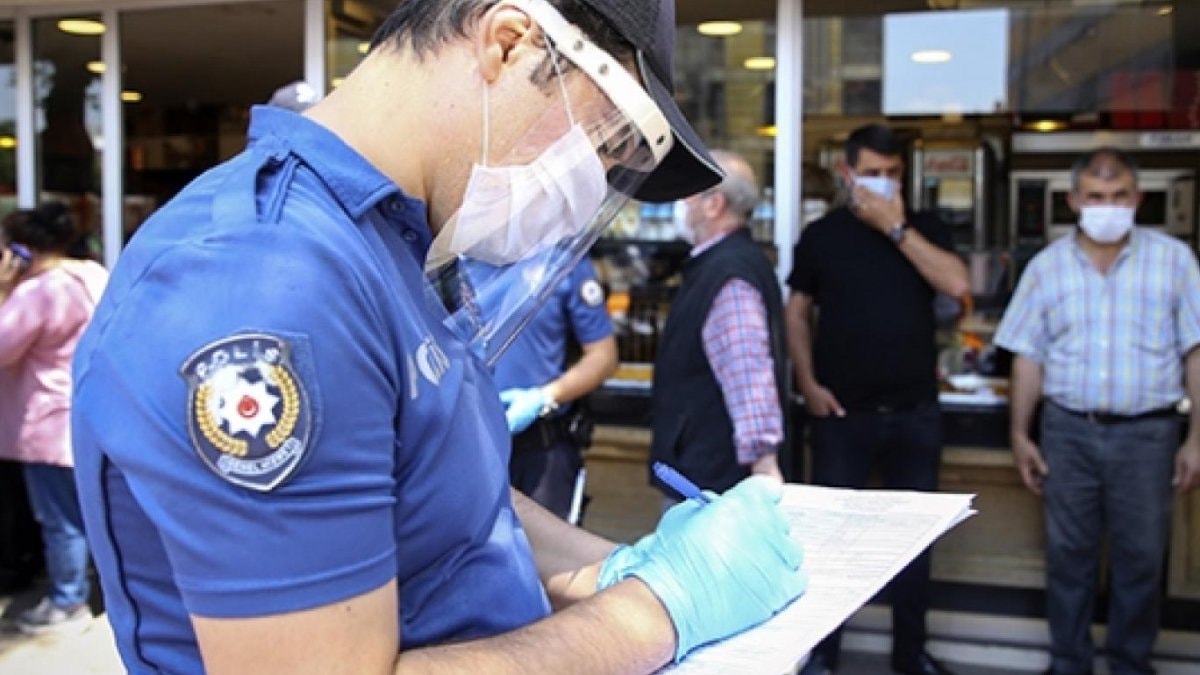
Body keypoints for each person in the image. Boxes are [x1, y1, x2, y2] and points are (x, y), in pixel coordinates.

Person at [70, 1, 808, 673]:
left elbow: (443, 499)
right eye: (608, 140)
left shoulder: (394, 241)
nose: (594, 183)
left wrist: (615, 569)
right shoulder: (264, 280)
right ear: (511, 43)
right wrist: (658, 609)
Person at [994, 148, 1200, 675]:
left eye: (1118, 195)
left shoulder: (1175, 261)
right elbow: (1027, 357)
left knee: (1142, 559)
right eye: (1096, 196)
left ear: (1138, 198)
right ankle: (1069, 664)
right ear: (1073, 201)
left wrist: (1197, 438)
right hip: (1068, 431)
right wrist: (1020, 433)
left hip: (1148, 435)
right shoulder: (1046, 268)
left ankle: (1130, 664)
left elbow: (1195, 352)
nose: (1107, 206)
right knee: (1068, 558)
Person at [787, 123, 969, 675]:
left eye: (891, 173)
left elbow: (957, 285)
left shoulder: (925, 228)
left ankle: (910, 655)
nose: (882, 181)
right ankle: (822, 655)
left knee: (914, 545)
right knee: (830, 545)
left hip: (914, 414)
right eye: (872, 173)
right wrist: (808, 384)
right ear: (848, 173)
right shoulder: (823, 236)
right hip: (843, 416)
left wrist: (896, 228)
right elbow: (797, 313)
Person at [651, 149, 787, 506]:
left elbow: (748, 372)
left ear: (714, 204)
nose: (681, 203)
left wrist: (763, 466)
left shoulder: (728, 275)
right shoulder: (719, 265)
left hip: (715, 487)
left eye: (688, 193)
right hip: (701, 474)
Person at [0, 202, 108, 634]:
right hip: (89, 414)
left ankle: (67, 601)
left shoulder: (36, 292)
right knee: (90, 513)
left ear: (21, 251)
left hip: (46, 423)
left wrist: (4, 290)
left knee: (60, 520)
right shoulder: (92, 275)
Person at [494, 255, 617, 523]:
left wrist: (545, 397)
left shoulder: (562, 259)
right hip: (467, 441)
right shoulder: (454, 255)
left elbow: (603, 356)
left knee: (548, 545)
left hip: (539, 444)